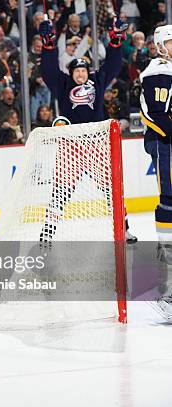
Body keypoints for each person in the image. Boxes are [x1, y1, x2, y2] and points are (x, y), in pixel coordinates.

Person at [38, 16, 138, 244]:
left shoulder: (96, 81)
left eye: (84, 70)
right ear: (71, 74)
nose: (81, 74)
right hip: (71, 145)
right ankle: (47, 233)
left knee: (111, 189)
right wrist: (48, 46)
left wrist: (115, 42)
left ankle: (124, 229)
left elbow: (112, 66)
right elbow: (48, 72)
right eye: (77, 71)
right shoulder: (63, 85)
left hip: (97, 143)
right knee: (60, 192)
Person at [140, 24, 172, 321]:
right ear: (161, 45)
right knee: (169, 202)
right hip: (166, 144)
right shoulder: (159, 70)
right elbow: (154, 113)